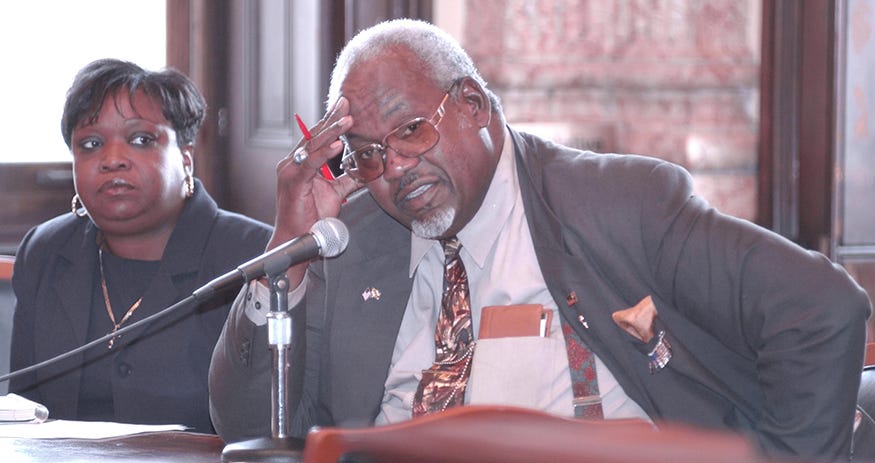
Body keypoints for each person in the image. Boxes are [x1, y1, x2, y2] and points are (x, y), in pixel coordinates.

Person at [208, 19, 871, 460]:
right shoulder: (350, 243)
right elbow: (250, 428)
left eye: (410, 130)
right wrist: (286, 251)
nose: (396, 168)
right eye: (368, 154)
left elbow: (821, 309)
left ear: (472, 105)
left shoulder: (618, 204)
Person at [9, 58, 272, 433]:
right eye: (91, 144)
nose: (112, 160)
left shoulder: (255, 254)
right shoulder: (45, 251)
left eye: (141, 140)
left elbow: (273, 420)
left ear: (186, 157)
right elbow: (22, 416)